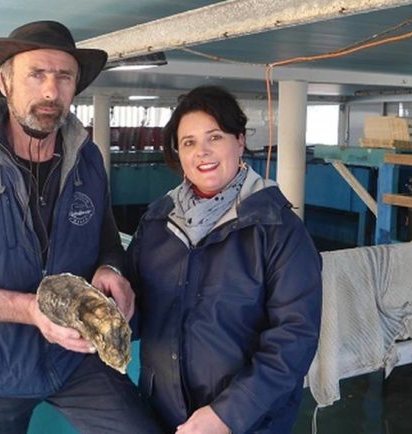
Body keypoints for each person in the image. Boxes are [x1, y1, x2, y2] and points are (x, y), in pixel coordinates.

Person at [0, 21, 162, 434]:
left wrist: (111, 269)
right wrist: (32, 310)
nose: (51, 91)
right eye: (37, 74)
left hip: (76, 358)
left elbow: (106, 241)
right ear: (5, 82)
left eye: (64, 77)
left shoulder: (87, 159)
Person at [128, 86, 323, 434]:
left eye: (214, 137)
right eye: (188, 142)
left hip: (249, 421)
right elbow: (137, 310)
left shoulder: (277, 229)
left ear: (240, 141)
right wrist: (105, 315)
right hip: (164, 414)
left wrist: (227, 415)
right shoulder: (157, 223)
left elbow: (294, 336)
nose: (201, 152)